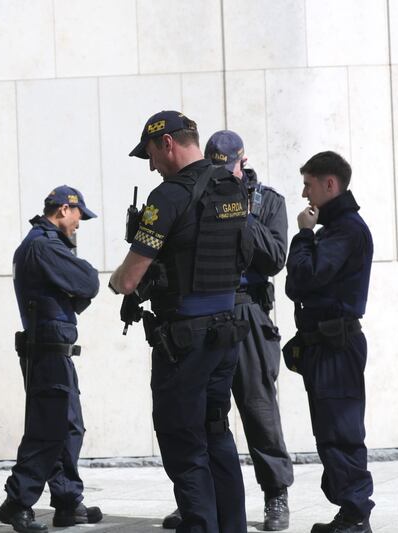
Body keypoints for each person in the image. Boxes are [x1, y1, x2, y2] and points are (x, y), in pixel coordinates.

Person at [109, 111, 250, 533]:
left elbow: (129, 278)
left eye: (150, 154)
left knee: (183, 441)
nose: (151, 165)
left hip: (185, 341)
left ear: (167, 143)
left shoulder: (168, 196)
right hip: (227, 331)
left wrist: (117, 284)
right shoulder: (233, 187)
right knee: (217, 432)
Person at [161, 130, 293, 531]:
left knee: (257, 407)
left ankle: (276, 494)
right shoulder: (200, 192)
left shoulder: (268, 201)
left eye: (229, 165)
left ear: (243, 160)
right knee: (200, 413)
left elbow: (273, 259)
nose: (223, 172)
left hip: (248, 310)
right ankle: (198, 500)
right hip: (206, 311)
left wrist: (241, 214)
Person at [0, 186, 103, 533]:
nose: (79, 224)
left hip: (53, 348)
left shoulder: (43, 244)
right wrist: (78, 282)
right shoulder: (44, 245)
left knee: (69, 425)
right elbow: (88, 281)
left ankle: (67, 500)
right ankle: (18, 502)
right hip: (47, 350)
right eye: (78, 216)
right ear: (62, 210)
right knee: (49, 427)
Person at [284, 151, 374, 533]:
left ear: (329, 184)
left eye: (309, 184)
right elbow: (296, 284)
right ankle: (348, 513)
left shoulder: (346, 230)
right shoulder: (335, 230)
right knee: (330, 433)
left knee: (341, 432)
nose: (305, 193)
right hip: (324, 346)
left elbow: (305, 277)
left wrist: (303, 235)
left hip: (336, 347)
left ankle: (355, 516)